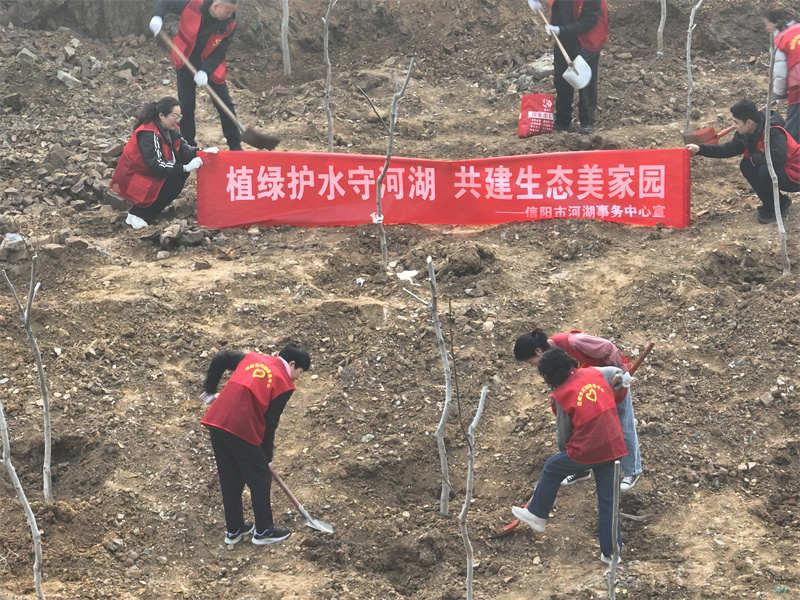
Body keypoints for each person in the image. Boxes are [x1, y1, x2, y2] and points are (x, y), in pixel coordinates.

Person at [511, 348, 628, 564]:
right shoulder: (594, 373)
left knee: (553, 467)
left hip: (588, 449)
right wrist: (621, 381)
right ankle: (612, 552)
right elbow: (614, 376)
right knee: (608, 500)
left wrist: (568, 455)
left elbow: (564, 433)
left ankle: (538, 513)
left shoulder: (560, 395)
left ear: (549, 376)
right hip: (614, 445)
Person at [200, 344, 311, 546]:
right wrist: (266, 456)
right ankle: (263, 531)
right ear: (293, 364)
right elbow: (270, 422)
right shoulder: (283, 383)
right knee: (260, 477)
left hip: (217, 421)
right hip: (242, 428)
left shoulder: (252, 358)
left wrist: (209, 391)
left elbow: (222, 357)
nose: (298, 377)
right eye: (300, 372)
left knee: (230, 477)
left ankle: (234, 530)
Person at [514, 328, 642, 492]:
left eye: (531, 362)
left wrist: (622, 374)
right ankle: (581, 469)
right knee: (580, 430)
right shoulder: (551, 361)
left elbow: (608, 347)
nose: (533, 366)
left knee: (623, 425)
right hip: (588, 392)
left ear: (538, 351)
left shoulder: (573, 342)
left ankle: (632, 471)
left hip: (612, 382)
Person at [686, 99, 800, 224]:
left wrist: (755, 158)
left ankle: (777, 207)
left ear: (749, 123)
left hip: (794, 173)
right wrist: (700, 149)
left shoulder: (773, 130)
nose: (734, 125)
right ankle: (775, 203)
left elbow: (778, 159)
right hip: (781, 170)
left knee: (765, 169)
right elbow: (727, 149)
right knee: (746, 165)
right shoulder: (746, 133)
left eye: (736, 122)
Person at [149, 0, 242, 150]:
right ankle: (188, 146)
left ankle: (235, 145)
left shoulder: (230, 23)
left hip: (210, 64)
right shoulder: (193, 4)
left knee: (225, 104)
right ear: (217, 5)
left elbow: (220, 51)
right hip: (185, 60)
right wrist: (157, 16)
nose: (230, 15)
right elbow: (165, 2)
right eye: (228, 11)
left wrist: (205, 71)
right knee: (186, 106)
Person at [111, 96, 211, 229]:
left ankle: (150, 212)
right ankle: (138, 214)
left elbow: (183, 149)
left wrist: (201, 152)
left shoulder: (171, 129)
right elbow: (156, 165)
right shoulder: (149, 133)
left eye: (179, 116)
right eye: (174, 116)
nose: (177, 120)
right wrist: (185, 167)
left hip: (150, 173)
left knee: (179, 174)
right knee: (176, 176)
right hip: (136, 176)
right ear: (162, 115)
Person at [528, 0, 608, 134]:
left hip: (588, 37)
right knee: (561, 78)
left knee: (584, 79)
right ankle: (562, 120)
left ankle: (586, 122)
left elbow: (589, 21)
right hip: (564, 34)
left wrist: (560, 30)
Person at [764, 8, 800, 142]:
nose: (766, 28)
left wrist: (778, 93)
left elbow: (780, 72)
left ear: (775, 23)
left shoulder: (782, 39)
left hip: (798, 87)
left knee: (794, 129)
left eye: (767, 24)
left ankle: (791, 158)